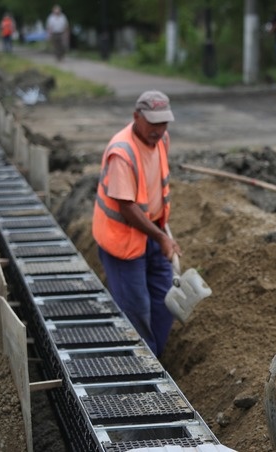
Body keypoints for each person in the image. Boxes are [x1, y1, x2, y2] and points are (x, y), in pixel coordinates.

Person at [92, 90, 181, 358]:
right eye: (152, 122)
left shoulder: (162, 139)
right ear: (136, 117)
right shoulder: (122, 152)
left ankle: (156, 363)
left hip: (152, 233)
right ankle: (141, 375)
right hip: (123, 242)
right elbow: (127, 207)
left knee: (166, 304)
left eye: (163, 122)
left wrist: (163, 233)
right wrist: (162, 237)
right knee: (136, 312)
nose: (158, 129)